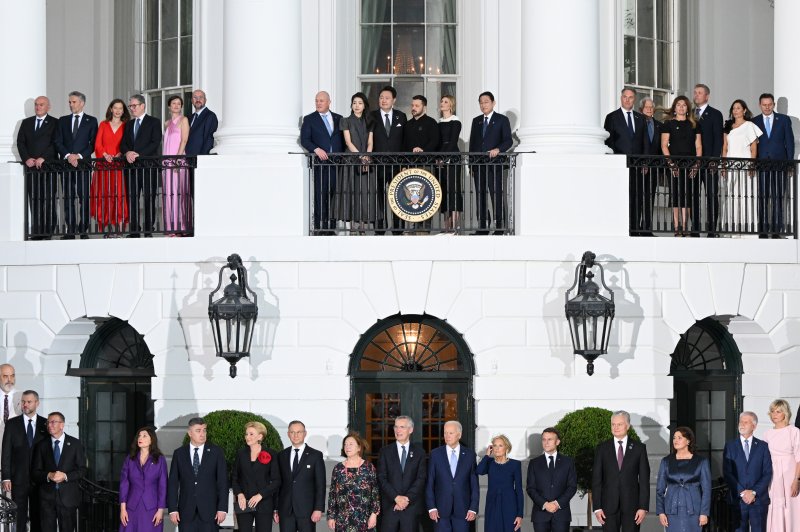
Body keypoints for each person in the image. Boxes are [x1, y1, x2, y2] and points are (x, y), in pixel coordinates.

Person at [591, 410, 650, 532]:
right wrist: (597, 507)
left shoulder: (639, 448)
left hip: (632, 507)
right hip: (607, 507)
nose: (616, 427)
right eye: (613, 424)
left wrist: (643, 507)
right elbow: (596, 480)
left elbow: (644, 480)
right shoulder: (602, 448)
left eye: (620, 424)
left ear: (628, 426)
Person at [167, 417, 228, 531]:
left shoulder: (216, 452)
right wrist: (172, 509)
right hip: (185, 513)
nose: (202, 434)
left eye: (204, 430)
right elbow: (173, 483)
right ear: (190, 433)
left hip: (210, 513)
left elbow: (223, 482)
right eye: (198, 430)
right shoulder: (179, 453)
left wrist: (222, 508)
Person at [31, 411, 87, 532]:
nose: (49, 425)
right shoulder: (41, 445)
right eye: (48, 423)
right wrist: (48, 475)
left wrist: (66, 476)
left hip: (68, 498)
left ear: (62, 425)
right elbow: (35, 472)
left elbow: (82, 470)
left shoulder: (75, 444)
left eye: (53, 422)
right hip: (47, 498)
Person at [1, 390, 48, 532]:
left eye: (29, 402)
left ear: (37, 403)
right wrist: (6, 477)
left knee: (38, 515)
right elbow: (6, 452)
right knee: (19, 516)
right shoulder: (11, 424)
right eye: (23, 402)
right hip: (18, 479)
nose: (25, 405)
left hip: (39, 480)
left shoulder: (45, 424)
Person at [54, 90, 98, 239]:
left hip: (83, 165)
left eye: (73, 102)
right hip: (66, 165)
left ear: (82, 103)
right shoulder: (63, 120)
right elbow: (58, 141)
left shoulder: (91, 121)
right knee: (68, 198)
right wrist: (68, 156)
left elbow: (93, 144)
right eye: (69, 102)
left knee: (84, 197)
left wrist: (78, 156)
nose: (71, 104)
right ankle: (71, 229)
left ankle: (83, 229)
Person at [751, 93, 796, 238]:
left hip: (780, 163)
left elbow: (789, 143)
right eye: (764, 105)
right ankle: (763, 230)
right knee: (763, 197)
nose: (767, 107)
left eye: (769, 104)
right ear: (760, 105)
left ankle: (777, 230)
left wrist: (789, 163)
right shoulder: (754, 121)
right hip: (762, 164)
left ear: (774, 104)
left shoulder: (783, 120)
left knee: (778, 197)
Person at [468, 91, 513, 235]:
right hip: (478, 164)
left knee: (496, 195)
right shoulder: (476, 121)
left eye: (486, 102)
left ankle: (500, 227)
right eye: (481, 102)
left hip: (495, 164)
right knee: (480, 196)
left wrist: (498, 149)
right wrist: (471, 165)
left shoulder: (502, 119)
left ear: (493, 103)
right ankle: (483, 227)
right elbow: (472, 144)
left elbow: (508, 140)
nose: (483, 105)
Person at [604, 88, 646, 236]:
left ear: (634, 99)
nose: (627, 100)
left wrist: (645, 162)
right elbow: (610, 142)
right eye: (624, 97)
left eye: (630, 97)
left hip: (637, 165)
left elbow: (644, 142)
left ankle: (635, 228)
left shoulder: (640, 118)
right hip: (620, 164)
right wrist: (614, 163)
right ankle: (622, 227)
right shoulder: (612, 117)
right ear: (621, 98)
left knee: (637, 197)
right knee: (621, 196)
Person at [301, 91, 344, 234]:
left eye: (321, 101)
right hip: (321, 164)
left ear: (329, 102)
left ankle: (332, 227)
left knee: (334, 195)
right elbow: (305, 140)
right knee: (321, 195)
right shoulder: (309, 119)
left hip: (337, 164)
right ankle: (321, 227)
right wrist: (316, 149)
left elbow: (344, 139)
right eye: (316, 101)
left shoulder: (339, 118)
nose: (318, 103)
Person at [723, 411, 773, 532]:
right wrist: (743, 493)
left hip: (759, 500)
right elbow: (727, 472)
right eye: (741, 422)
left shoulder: (763, 446)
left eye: (746, 422)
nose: (742, 424)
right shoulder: (730, 446)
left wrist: (754, 492)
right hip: (738, 501)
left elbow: (767, 473)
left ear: (754, 426)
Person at [425, 420, 479, 532]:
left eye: (451, 433)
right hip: (440, 510)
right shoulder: (435, 454)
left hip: (463, 510)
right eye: (445, 433)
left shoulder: (469, 455)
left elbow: (474, 484)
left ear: (459, 435)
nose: (447, 436)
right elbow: (430, 482)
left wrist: (473, 508)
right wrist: (431, 507)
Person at [120, 94, 162, 237]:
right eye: (130, 106)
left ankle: (149, 229)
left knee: (149, 198)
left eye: (134, 106)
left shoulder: (154, 122)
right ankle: (134, 230)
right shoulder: (128, 124)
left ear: (143, 106)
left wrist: (138, 154)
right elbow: (123, 144)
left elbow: (155, 142)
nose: (131, 108)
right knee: (132, 198)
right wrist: (127, 153)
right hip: (131, 168)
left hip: (148, 166)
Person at [17, 96, 58, 239]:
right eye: (36, 104)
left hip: (48, 167)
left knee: (48, 200)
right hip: (31, 169)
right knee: (34, 200)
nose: (38, 107)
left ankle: (48, 231)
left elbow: (55, 143)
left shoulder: (55, 123)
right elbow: (20, 142)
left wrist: (44, 157)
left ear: (48, 107)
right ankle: (37, 231)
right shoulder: (26, 123)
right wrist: (27, 158)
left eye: (41, 104)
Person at [655, 426, 711, 531]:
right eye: (674, 438)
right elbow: (660, 489)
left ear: (688, 441)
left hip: (694, 510)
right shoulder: (666, 461)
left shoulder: (701, 461)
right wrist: (661, 512)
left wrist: (704, 513)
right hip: (671, 510)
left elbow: (707, 490)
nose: (675, 440)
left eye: (679, 438)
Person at [376, 415, 427, 532]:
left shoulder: (419, 453)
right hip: (390, 507)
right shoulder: (385, 452)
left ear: (411, 430)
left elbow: (421, 478)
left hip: (411, 508)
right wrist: (396, 497)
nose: (398, 430)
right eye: (396, 427)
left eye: (402, 427)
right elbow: (381, 478)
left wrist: (406, 499)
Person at [661, 95, 702, 237]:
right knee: (676, 194)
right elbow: (664, 145)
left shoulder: (694, 124)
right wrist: (671, 164)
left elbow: (698, 146)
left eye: (684, 105)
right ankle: (676, 226)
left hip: (690, 164)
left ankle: (685, 226)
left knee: (687, 195)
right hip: (674, 164)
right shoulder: (668, 124)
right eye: (678, 105)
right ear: (674, 108)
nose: (681, 107)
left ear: (687, 108)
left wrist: (697, 165)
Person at [276, 420, 326, 532]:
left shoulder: (315, 455)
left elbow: (320, 485)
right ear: (288, 434)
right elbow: (278, 484)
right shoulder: (281, 455)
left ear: (305, 433)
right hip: (285, 510)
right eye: (292, 432)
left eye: (299, 432)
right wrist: (276, 509)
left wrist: (318, 508)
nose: (295, 435)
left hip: (307, 511)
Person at [370, 86, 408, 234]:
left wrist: (404, 164)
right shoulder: (371, 116)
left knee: (398, 196)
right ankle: (379, 228)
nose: (383, 100)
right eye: (381, 98)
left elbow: (405, 141)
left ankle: (398, 229)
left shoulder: (401, 116)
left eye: (387, 98)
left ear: (394, 100)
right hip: (377, 163)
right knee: (378, 196)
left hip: (396, 164)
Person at [337, 92, 377, 232]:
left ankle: (363, 224)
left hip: (366, 159)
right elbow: (348, 141)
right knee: (351, 189)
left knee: (364, 190)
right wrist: (360, 156)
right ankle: (351, 224)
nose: (357, 105)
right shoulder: (345, 120)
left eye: (360, 103)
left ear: (364, 105)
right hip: (351, 159)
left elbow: (370, 141)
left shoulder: (370, 121)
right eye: (354, 103)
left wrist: (367, 156)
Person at [721, 99, 761, 234]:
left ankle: (748, 229)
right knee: (731, 195)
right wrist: (724, 166)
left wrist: (751, 165)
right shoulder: (728, 127)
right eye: (734, 108)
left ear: (744, 110)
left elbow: (753, 148)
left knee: (746, 195)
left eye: (738, 108)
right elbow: (725, 148)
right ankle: (732, 229)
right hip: (731, 166)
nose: (735, 110)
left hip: (745, 165)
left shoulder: (749, 125)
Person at [90, 98, 130, 236]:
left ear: (123, 110)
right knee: (104, 194)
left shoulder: (126, 125)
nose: (118, 111)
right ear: (111, 109)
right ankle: (107, 229)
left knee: (118, 195)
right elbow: (97, 144)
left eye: (121, 108)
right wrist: (105, 155)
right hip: (103, 165)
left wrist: (121, 153)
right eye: (116, 108)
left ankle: (119, 228)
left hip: (118, 165)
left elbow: (127, 144)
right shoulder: (103, 124)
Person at [526, 428, 577, 532]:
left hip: (561, 514)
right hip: (540, 514)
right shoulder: (534, 463)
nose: (546, 442)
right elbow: (530, 488)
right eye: (544, 439)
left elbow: (572, 487)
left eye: (549, 439)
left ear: (557, 442)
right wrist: (545, 504)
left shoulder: (568, 462)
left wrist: (557, 503)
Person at [326, 432, 380, 531]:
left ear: (359, 448)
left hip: (364, 518)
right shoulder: (338, 468)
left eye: (351, 444)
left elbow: (375, 492)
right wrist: (331, 516)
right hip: (342, 519)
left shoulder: (368, 467)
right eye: (345, 444)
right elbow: (332, 493)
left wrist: (374, 514)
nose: (347, 447)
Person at [232, 421, 281, 532]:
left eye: (251, 434)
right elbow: (235, 478)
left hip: (264, 503)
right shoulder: (241, 454)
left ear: (260, 436)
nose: (247, 437)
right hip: (244, 503)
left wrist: (260, 495)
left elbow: (276, 481)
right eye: (246, 434)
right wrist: (239, 494)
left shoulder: (272, 453)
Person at [119, 426, 168, 531]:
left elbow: (163, 485)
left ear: (151, 440)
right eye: (139, 436)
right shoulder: (130, 459)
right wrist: (123, 509)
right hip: (131, 508)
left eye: (144, 436)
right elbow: (124, 483)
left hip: (151, 508)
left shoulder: (159, 460)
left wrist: (160, 510)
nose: (140, 438)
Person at [691, 84, 724, 237]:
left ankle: (712, 229)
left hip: (709, 161)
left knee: (711, 195)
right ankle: (695, 229)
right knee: (693, 196)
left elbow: (718, 139)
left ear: (707, 96)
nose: (696, 95)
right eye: (695, 92)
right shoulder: (689, 113)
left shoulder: (715, 114)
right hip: (692, 162)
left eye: (700, 93)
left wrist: (715, 160)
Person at [762, 399, 800, 531]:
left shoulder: (794, 431)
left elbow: (799, 458)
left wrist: (796, 480)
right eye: (772, 411)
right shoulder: (767, 434)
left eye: (778, 411)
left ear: (785, 413)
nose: (774, 414)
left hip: (790, 474)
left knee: (792, 505)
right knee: (775, 504)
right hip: (773, 476)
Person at [477, 434, 524, 531]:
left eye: (500, 445)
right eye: (494, 445)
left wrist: (520, 514)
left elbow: (519, 491)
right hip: (492, 504)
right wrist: (486, 455)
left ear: (506, 447)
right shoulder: (489, 462)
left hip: (510, 505)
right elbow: (479, 471)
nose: (497, 448)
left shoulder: (515, 464)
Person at [162, 95, 191, 236]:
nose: (176, 106)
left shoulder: (184, 120)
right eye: (173, 103)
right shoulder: (166, 123)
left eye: (179, 103)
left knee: (179, 192)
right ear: (169, 106)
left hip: (178, 161)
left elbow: (184, 140)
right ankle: (170, 226)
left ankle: (181, 226)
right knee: (168, 193)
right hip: (166, 162)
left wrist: (177, 160)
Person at [636, 97, 663, 236]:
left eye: (651, 107)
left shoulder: (659, 125)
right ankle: (636, 227)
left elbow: (661, 147)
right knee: (638, 197)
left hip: (653, 168)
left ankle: (646, 228)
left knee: (649, 197)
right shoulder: (637, 123)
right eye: (647, 107)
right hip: (639, 167)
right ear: (641, 109)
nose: (649, 110)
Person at [437, 95, 463, 233]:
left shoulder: (456, 121)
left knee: (454, 189)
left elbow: (452, 142)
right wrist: (438, 158)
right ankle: (446, 225)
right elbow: (438, 142)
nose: (442, 103)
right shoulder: (438, 122)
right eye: (441, 101)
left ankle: (455, 224)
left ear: (451, 105)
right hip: (440, 159)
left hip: (452, 158)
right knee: (443, 190)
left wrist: (444, 157)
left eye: (445, 101)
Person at [185, 89, 218, 156]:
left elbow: (208, 140)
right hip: (187, 158)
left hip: (199, 158)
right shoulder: (189, 118)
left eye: (201, 97)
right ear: (192, 101)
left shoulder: (210, 116)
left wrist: (202, 158)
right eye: (195, 97)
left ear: (205, 100)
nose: (198, 100)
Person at [0, 364, 21, 460]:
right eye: (5, 376)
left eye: (12, 376)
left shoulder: (23, 397)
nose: (9, 380)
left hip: (16, 456)